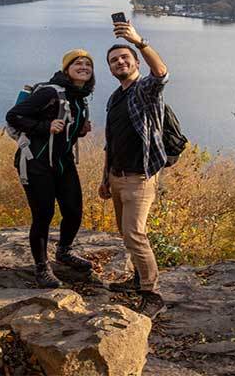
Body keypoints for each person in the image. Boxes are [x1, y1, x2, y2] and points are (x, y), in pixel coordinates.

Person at [6, 49, 95, 288]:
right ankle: (42, 267)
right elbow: (13, 116)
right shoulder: (50, 92)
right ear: (67, 69)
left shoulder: (80, 97)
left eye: (88, 64)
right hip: (36, 162)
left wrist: (80, 130)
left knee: (74, 210)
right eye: (78, 63)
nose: (84, 67)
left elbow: (65, 131)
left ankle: (64, 251)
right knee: (43, 215)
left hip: (63, 162)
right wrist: (45, 126)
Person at [98, 21, 168, 319]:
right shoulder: (115, 98)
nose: (120, 62)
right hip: (117, 177)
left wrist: (139, 41)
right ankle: (138, 279)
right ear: (110, 68)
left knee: (135, 234)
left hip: (140, 178)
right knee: (127, 235)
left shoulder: (144, 91)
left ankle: (152, 294)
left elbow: (161, 74)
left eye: (125, 57)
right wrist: (105, 178)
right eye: (114, 60)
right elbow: (111, 142)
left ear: (136, 62)